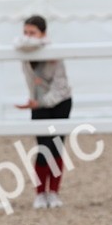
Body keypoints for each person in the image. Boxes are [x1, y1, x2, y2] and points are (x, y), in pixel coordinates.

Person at [15, 15, 72, 209]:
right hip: (37, 104)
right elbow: (21, 45)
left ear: (44, 34)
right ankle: (40, 193)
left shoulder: (53, 52)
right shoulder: (23, 50)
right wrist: (37, 103)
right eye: (25, 33)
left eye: (33, 33)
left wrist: (40, 102)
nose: (28, 37)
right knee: (42, 149)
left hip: (59, 102)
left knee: (55, 147)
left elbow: (60, 86)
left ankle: (54, 192)